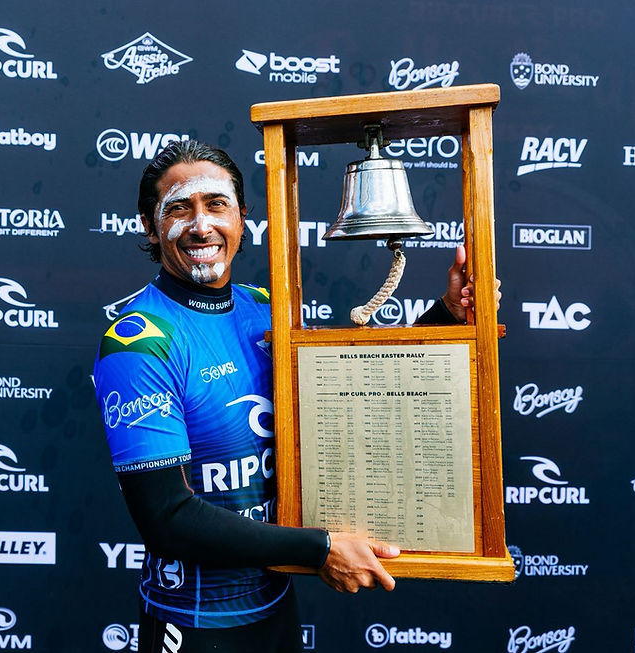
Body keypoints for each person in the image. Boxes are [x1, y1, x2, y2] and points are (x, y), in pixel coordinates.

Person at [93, 140, 496, 653]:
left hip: (276, 610)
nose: (200, 226)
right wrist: (320, 549)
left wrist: (448, 315)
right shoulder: (139, 342)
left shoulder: (267, 311)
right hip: (194, 627)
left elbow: (358, 398)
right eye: (178, 208)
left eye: (216, 204)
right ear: (150, 228)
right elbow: (167, 519)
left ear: (243, 218)